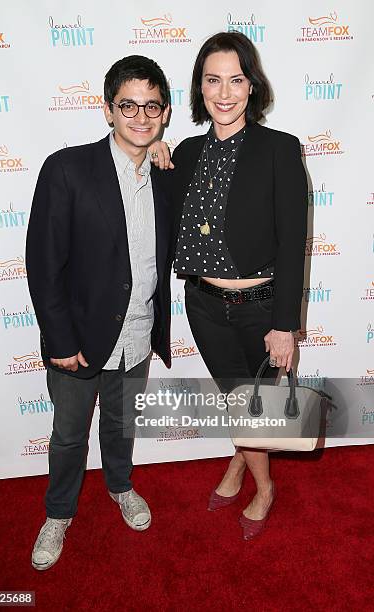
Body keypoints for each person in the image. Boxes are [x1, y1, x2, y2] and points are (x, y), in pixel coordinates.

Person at [153, 31, 308, 539]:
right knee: (237, 402)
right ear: (199, 88)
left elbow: (293, 244)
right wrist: (155, 151)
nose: (224, 93)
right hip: (202, 304)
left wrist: (285, 325)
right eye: (212, 80)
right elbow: (163, 210)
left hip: (260, 308)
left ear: (251, 85)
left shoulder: (280, 149)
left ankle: (261, 486)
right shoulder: (188, 152)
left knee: (253, 409)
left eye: (235, 80)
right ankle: (246, 465)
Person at [26, 55, 172, 570]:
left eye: (151, 105)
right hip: (80, 339)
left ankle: (120, 486)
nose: (140, 115)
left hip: (138, 335)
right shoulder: (67, 168)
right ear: (108, 109)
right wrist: (60, 341)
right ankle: (59, 513)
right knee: (69, 435)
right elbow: (43, 265)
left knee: (122, 425)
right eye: (128, 104)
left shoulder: (165, 174)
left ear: (166, 112)